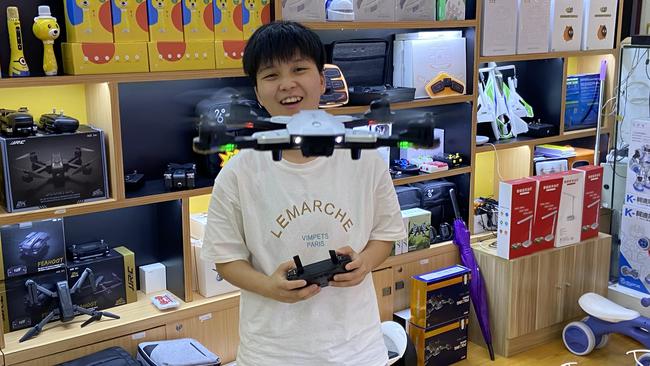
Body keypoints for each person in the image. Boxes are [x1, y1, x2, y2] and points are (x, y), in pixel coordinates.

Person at [201, 21, 406, 365]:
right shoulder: (238, 172)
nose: (287, 84)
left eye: (299, 69)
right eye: (271, 75)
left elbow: (385, 235)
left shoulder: (364, 158)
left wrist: (364, 263)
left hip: (356, 349)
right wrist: (270, 287)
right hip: (273, 352)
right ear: (257, 92)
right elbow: (226, 259)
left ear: (322, 80)